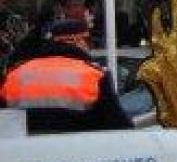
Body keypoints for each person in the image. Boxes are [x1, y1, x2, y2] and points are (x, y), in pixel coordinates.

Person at [0, 19, 132, 133]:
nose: (88, 46)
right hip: (78, 156)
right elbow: (120, 126)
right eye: (87, 40)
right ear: (78, 41)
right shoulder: (95, 75)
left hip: (22, 157)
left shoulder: (16, 74)